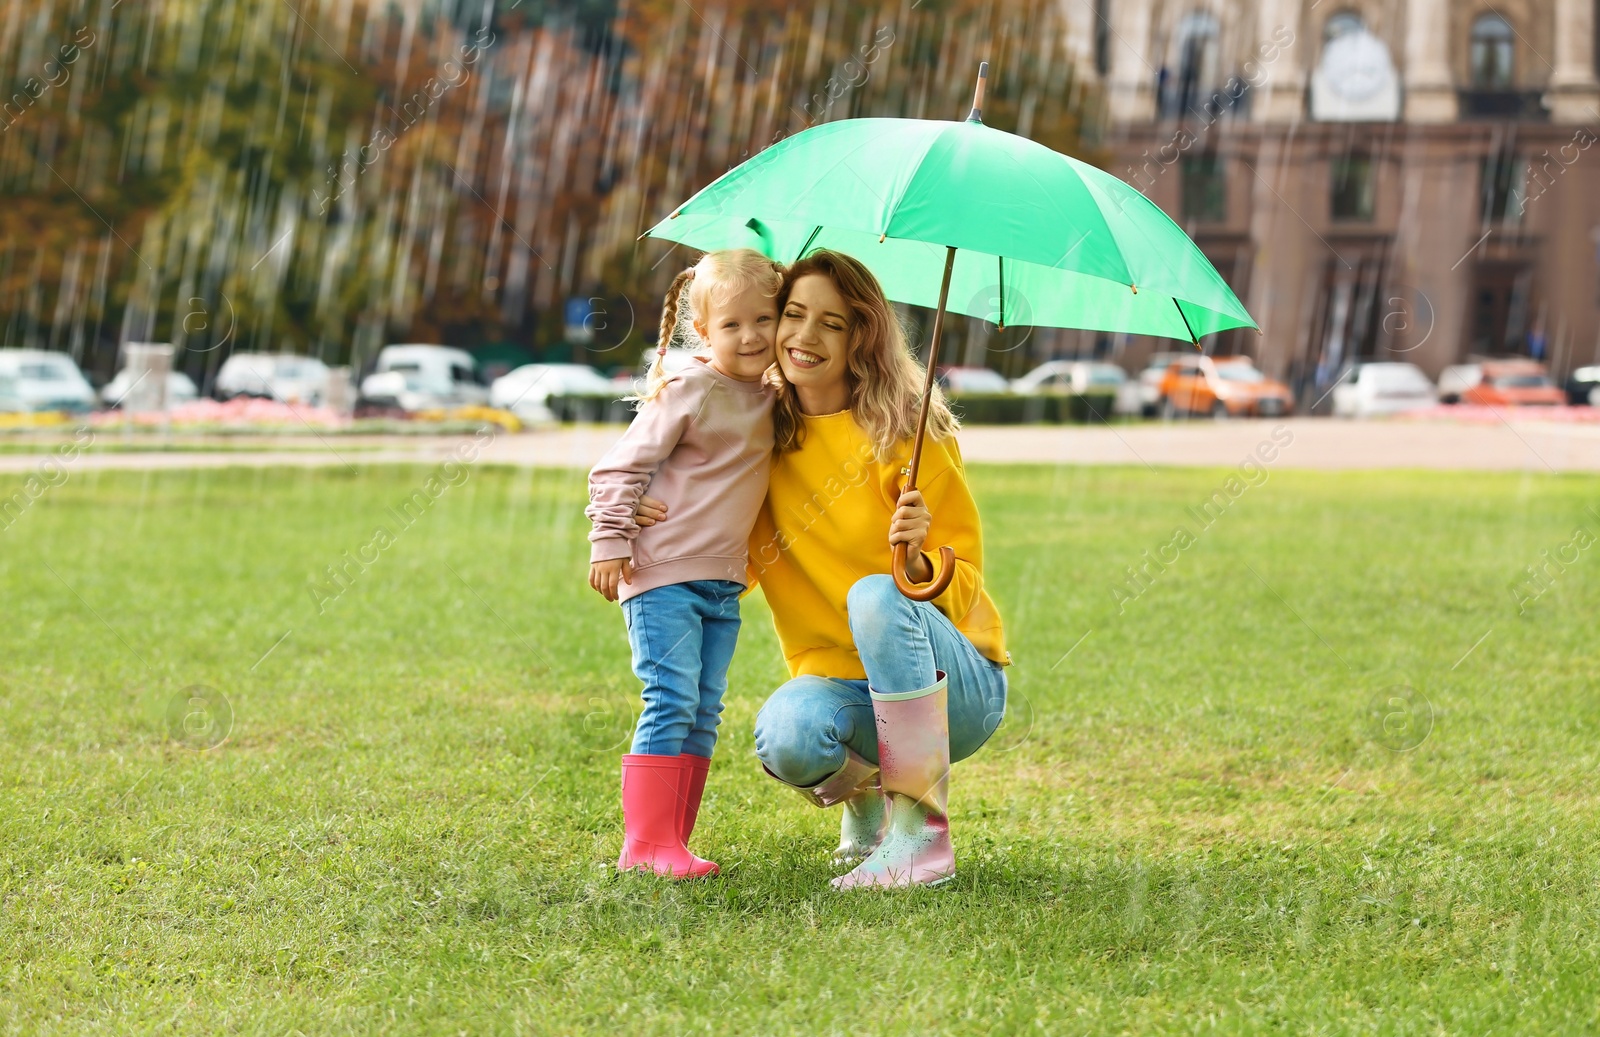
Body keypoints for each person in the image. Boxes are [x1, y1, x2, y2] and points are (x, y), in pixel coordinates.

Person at [634, 249, 1009, 889]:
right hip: (843, 686)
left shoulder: (911, 435)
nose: (804, 337)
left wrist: (919, 561)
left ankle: (920, 837)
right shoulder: (760, 439)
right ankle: (863, 802)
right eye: (794, 315)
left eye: (831, 324)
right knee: (787, 739)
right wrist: (665, 514)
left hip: (957, 686)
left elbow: (967, 577)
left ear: (860, 337)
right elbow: (735, 563)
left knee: (875, 597)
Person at [585, 248, 782, 880]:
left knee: (703, 707)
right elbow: (619, 467)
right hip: (664, 572)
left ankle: (672, 842)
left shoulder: (773, 396)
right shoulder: (691, 388)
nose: (750, 336)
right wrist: (610, 539)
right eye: (731, 325)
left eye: (764, 318)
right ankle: (644, 846)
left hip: (723, 583)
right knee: (669, 697)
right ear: (703, 331)